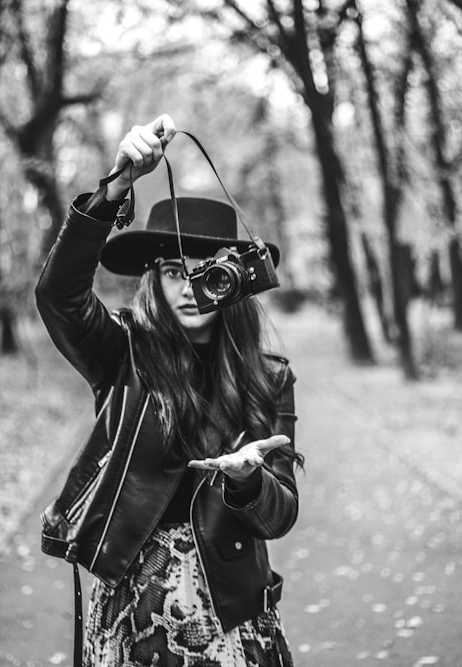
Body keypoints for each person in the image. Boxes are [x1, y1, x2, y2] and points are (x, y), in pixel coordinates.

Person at [35, 114, 302, 666]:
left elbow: (280, 516)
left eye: (210, 270)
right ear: (152, 278)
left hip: (231, 612)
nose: (191, 286)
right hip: (135, 605)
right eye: (174, 269)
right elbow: (58, 298)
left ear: (237, 280)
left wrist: (250, 483)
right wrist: (115, 188)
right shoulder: (122, 352)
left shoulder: (268, 377)